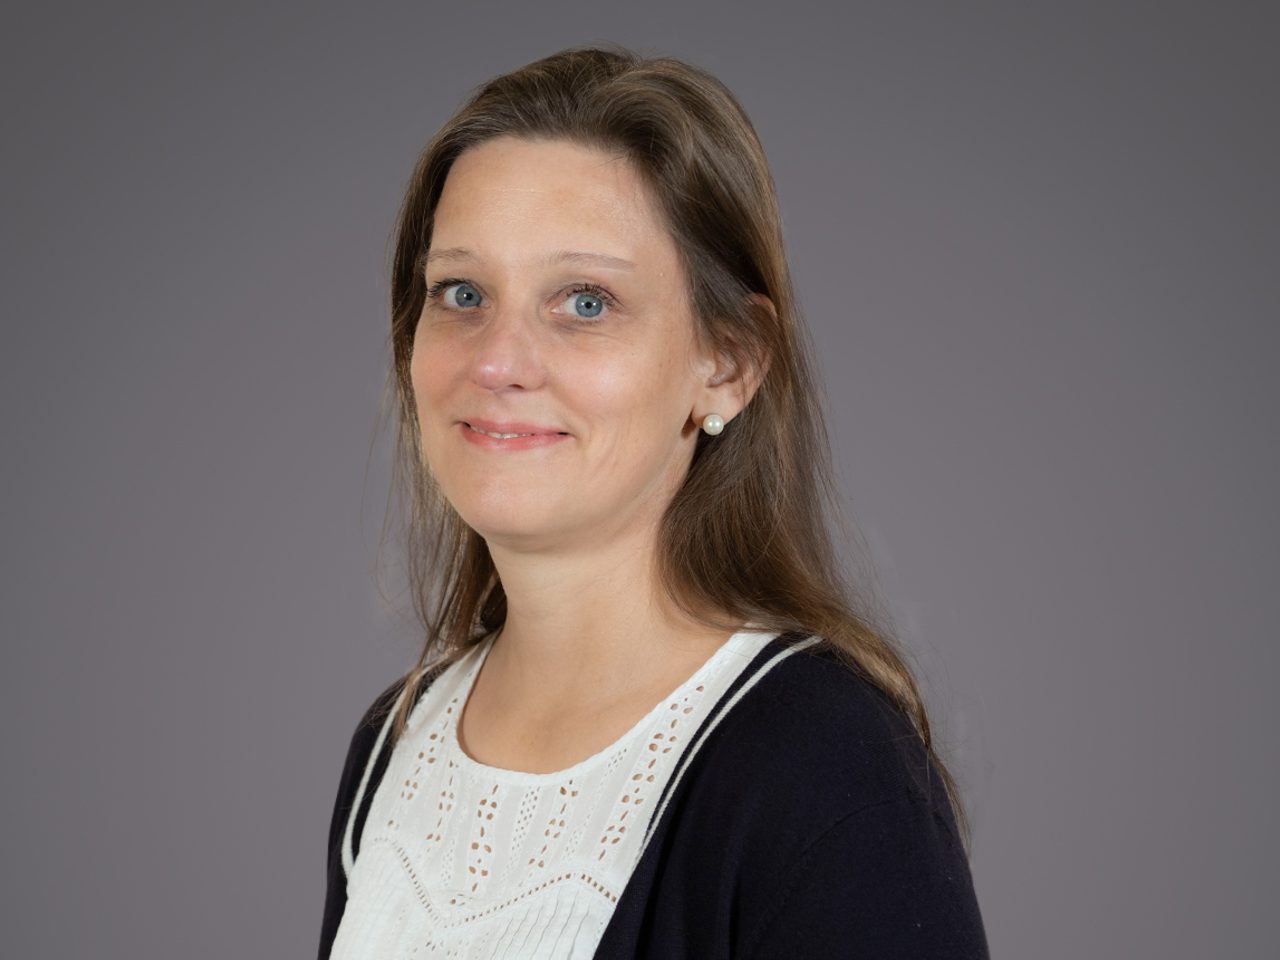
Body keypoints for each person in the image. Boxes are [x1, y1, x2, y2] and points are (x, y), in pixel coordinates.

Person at [318, 43, 990, 959]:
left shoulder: (822, 766)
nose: (497, 361)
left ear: (729, 363)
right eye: (461, 292)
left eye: (586, 302)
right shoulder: (395, 746)